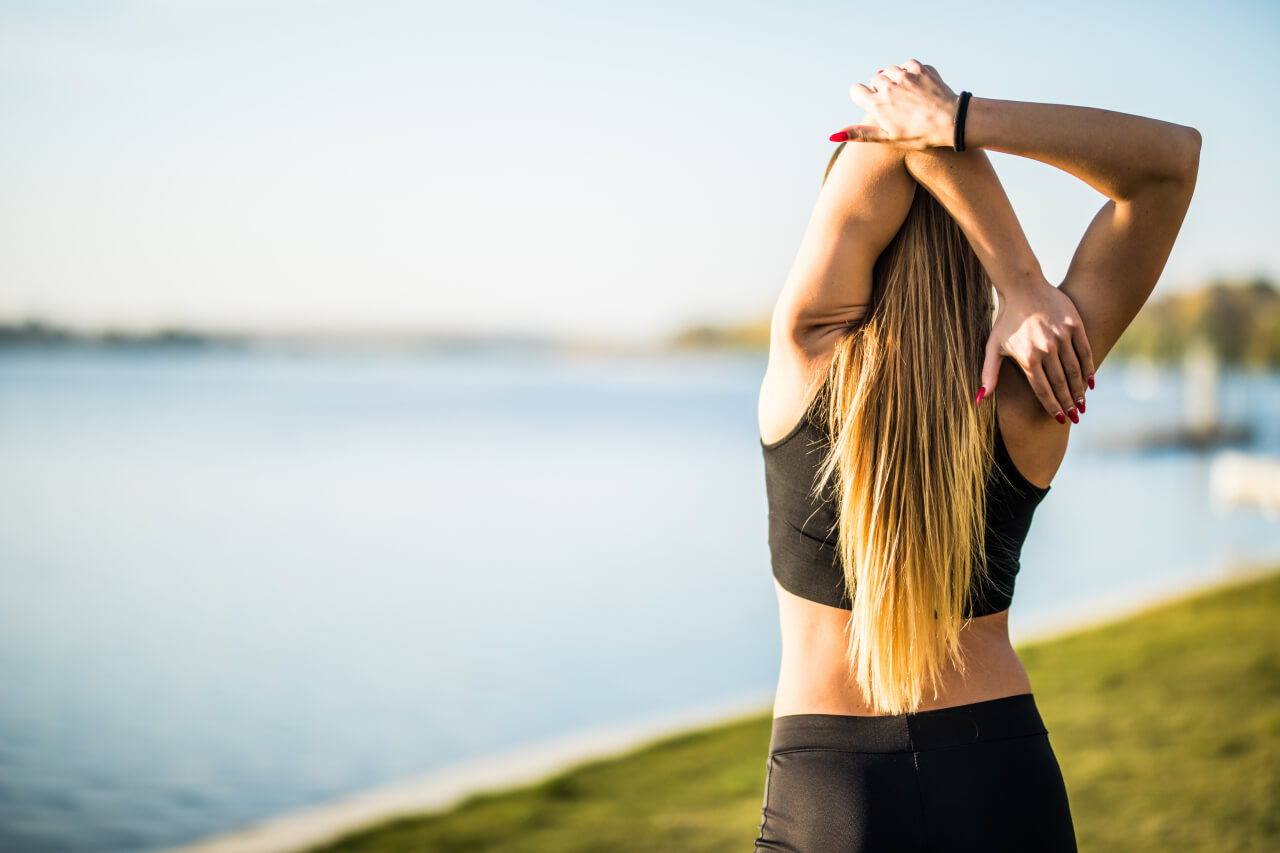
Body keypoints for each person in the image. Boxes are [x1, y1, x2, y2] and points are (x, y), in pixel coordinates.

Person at [754, 60, 1200, 852]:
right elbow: (1170, 162)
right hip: (1000, 771)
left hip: (830, 787)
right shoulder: (1039, 380)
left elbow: (886, 136)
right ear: (971, 244)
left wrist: (1019, 273)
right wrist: (959, 121)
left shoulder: (806, 351)